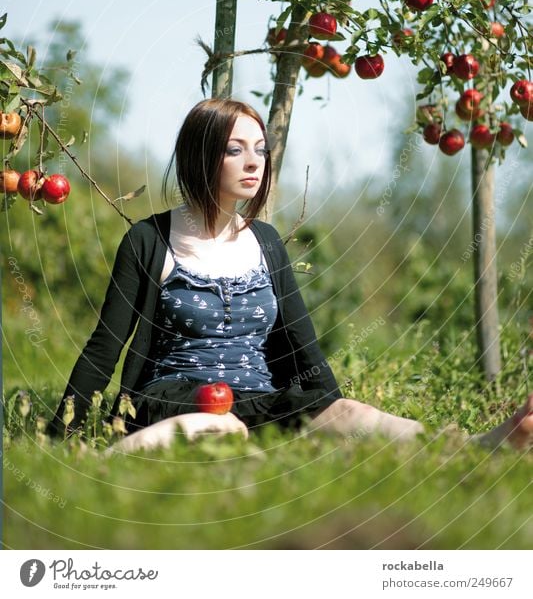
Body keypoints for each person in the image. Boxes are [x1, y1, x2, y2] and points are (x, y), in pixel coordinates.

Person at [47, 98, 533, 454]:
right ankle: (114, 456)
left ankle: (473, 446)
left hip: (259, 398)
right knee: (223, 428)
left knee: (350, 414)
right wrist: (60, 433)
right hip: (175, 397)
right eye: (235, 149)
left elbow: (302, 347)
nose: (254, 161)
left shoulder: (266, 243)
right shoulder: (149, 241)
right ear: (201, 155)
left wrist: (327, 411)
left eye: (259, 148)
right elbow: (105, 346)